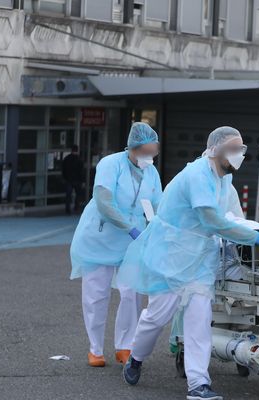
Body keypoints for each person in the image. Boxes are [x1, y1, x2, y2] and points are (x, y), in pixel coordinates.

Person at [118, 126, 259, 400]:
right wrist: (255, 238)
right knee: (157, 316)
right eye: (234, 149)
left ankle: (198, 384)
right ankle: (136, 358)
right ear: (215, 149)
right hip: (171, 255)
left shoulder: (223, 180)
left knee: (199, 320)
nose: (239, 154)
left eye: (242, 149)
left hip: (200, 259)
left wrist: (253, 234)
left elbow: (232, 216)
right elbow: (212, 220)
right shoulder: (197, 175)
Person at [69, 122, 162, 368]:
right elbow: (104, 202)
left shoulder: (151, 172)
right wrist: (128, 227)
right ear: (134, 147)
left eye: (153, 153)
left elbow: (157, 205)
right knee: (96, 295)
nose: (150, 157)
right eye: (146, 153)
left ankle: (125, 346)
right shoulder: (110, 164)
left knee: (132, 294)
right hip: (100, 238)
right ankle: (95, 349)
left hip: (132, 243)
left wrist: (156, 230)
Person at [62, 145, 84, 214]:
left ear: (71, 150)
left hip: (68, 180)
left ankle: (67, 209)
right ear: (77, 150)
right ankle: (76, 207)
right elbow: (81, 171)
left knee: (68, 195)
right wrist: (82, 181)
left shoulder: (66, 158)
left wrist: (64, 178)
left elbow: (63, 170)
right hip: (77, 180)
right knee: (78, 194)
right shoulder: (79, 159)